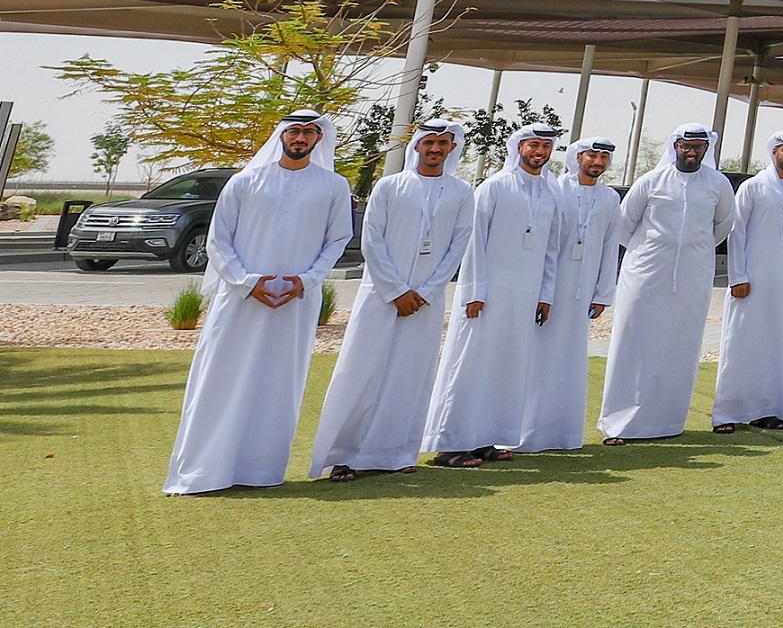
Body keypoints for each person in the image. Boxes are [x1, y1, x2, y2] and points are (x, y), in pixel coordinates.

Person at [164, 111, 356, 496]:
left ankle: (261, 469)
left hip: (296, 302)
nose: (300, 138)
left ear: (319, 139)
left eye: (308, 133)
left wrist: (305, 280)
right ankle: (203, 471)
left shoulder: (333, 186)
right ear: (281, 136)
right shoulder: (245, 181)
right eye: (294, 131)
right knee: (221, 378)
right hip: (239, 300)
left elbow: (338, 241)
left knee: (279, 383)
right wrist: (247, 283)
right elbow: (218, 240)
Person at [309, 120, 469, 480]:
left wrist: (425, 292)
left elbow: (458, 246)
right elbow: (372, 242)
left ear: (451, 148)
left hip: (427, 301)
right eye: (429, 142)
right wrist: (397, 291)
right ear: (416, 146)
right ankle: (344, 455)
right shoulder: (389, 186)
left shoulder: (461, 192)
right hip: (380, 296)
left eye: (443, 143)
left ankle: (396, 453)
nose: (436, 149)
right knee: (362, 372)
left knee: (411, 376)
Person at [425, 125, 563, 467]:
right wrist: (474, 291)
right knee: (470, 364)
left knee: (507, 366)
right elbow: (474, 243)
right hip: (486, 294)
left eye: (546, 146)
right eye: (534, 145)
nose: (539, 152)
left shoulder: (550, 191)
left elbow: (551, 248)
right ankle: (450, 444)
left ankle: (486, 439)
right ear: (519, 147)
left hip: (526, 294)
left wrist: (545, 294)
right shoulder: (493, 187)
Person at [599, 124, 737, 444]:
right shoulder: (651, 181)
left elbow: (723, 226)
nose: (692, 151)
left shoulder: (717, 184)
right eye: (686, 145)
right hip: (646, 274)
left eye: (698, 147)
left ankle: (667, 422)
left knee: (680, 346)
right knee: (634, 345)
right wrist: (654, 252)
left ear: (706, 149)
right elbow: (625, 225)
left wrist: (690, 250)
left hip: (692, 277)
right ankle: (620, 424)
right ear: (675, 145)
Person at [522, 132, 622, 454]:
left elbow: (610, 248)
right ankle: (526, 432)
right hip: (548, 290)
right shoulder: (555, 189)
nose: (597, 162)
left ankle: (562, 435)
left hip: (583, 291)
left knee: (570, 360)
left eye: (603, 158)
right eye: (591, 155)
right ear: (578, 157)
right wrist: (542, 291)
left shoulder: (609, 199)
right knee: (538, 359)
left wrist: (603, 293)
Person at [715, 130, 783, 430]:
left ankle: (772, 411)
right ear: (774, 151)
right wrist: (738, 276)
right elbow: (737, 234)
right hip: (750, 281)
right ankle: (728, 415)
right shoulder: (752, 187)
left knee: (778, 346)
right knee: (741, 344)